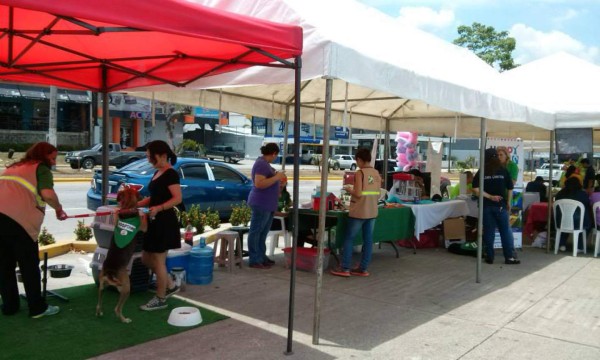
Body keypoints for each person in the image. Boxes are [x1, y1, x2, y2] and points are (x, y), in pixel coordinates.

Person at [0, 142, 68, 318]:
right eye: (52, 158)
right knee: (29, 266)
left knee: (4, 266)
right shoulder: (41, 169)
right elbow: (47, 194)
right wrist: (59, 209)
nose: (54, 162)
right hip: (20, 222)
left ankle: (10, 306)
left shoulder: (15, 167)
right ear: (42, 156)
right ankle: (37, 308)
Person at [137, 140, 182, 311]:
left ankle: (161, 297)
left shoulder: (171, 174)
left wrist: (159, 208)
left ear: (162, 155)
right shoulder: (157, 172)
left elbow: (177, 199)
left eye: (150, 156)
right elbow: (155, 196)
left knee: (158, 261)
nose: (148, 159)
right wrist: (138, 204)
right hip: (153, 221)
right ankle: (170, 285)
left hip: (164, 222)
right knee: (146, 259)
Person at [96, 186, 147, 323]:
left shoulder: (118, 215)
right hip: (120, 267)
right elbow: (144, 228)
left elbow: (116, 222)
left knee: (102, 285)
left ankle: (99, 305)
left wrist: (118, 213)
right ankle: (118, 310)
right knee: (126, 291)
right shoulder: (137, 219)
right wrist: (144, 216)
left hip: (108, 263)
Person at [331, 148, 382, 277]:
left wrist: (349, 189)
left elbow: (358, 193)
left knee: (349, 239)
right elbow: (378, 194)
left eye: (357, 160)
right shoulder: (376, 173)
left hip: (359, 211)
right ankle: (363, 268)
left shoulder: (360, 173)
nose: (357, 163)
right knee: (368, 240)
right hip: (372, 211)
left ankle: (345, 268)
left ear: (359, 159)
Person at [472, 148, 520, 265]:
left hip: (486, 206)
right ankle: (509, 257)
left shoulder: (482, 171)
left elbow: (475, 189)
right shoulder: (503, 170)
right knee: (505, 231)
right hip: (501, 206)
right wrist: (509, 202)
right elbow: (510, 187)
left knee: (489, 231)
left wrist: (489, 196)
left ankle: (490, 256)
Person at [247, 143, 287, 269]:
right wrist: (277, 177)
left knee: (263, 233)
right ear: (274, 153)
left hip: (268, 204)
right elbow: (259, 183)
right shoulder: (261, 164)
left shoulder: (266, 165)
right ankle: (254, 259)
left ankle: (261, 256)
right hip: (261, 203)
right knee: (256, 231)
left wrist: (279, 183)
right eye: (276, 155)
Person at [555, 176, 591, 252]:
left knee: (565, 220)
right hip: (578, 222)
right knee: (587, 222)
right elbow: (587, 204)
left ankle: (562, 244)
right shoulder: (582, 194)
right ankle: (580, 246)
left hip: (561, 221)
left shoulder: (560, 193)